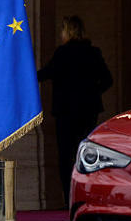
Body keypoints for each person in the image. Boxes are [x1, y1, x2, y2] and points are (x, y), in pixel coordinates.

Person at [38, 15, 113, 206]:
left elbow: (45, 74)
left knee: (66, 155)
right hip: (88, 109)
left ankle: (69, 199)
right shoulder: (93, 52)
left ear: (68, 31)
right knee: (87, 153)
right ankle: (87, 196)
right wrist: (92, 92)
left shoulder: (62, 53)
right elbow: (107, 80)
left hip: (65, 111)